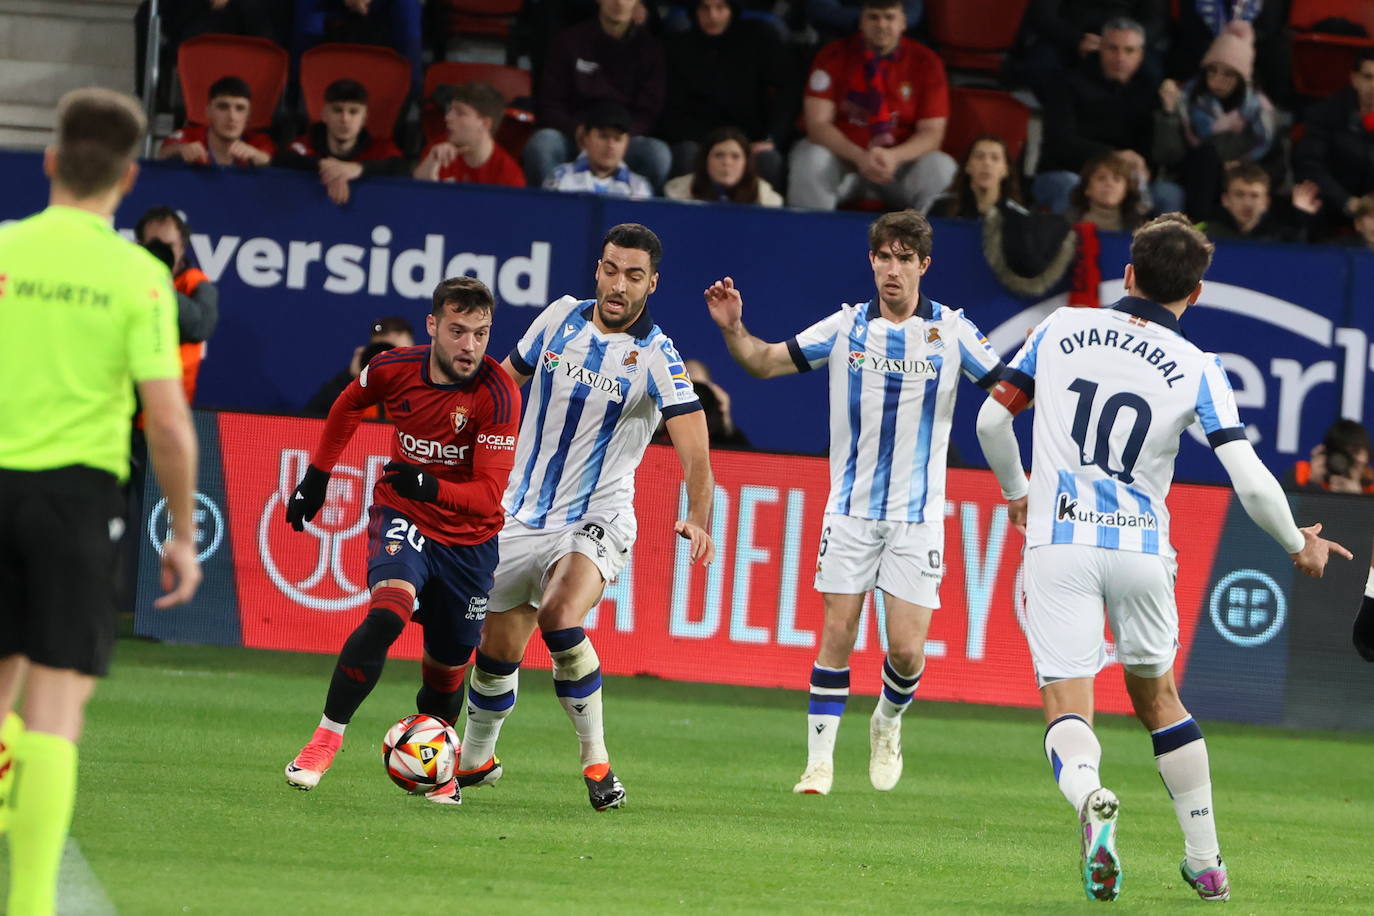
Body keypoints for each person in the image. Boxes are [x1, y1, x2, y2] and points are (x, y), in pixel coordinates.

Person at [974, 214, 1353, 902]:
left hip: (1060, 544)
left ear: (1128, 275)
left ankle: (1090, 797)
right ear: (1197, 293)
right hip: (1143, 554)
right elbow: (1249, 478)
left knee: (1068, 705)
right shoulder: (1198, 368)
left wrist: (1015, 493)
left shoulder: (1060, 330)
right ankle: (1206, 862)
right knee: (1161, 700)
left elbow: (991, 421)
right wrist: (1300, 544)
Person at [703, 210, 1007, 795]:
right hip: (849, 511)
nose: (892, 270)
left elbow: (1008, 390)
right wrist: (731, 329)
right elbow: (765, 362)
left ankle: (887, 722)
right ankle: (818, 763)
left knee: (907, 651)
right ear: (872, 261)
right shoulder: (845, 328)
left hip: (917, 518)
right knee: (837, 633)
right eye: (883, 257)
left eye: (904, 259)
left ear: (924, 265)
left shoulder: (952, 333)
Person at [0, 87, 201, 916]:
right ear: (126, 176)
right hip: (74, 502)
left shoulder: (4, 249)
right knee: (55, 704)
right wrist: (184, 532)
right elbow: (167, 423)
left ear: (49, 162)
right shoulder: (137, 277)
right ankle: (34, 902)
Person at [455, 223, 715, 812]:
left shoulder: (656, 355)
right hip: (518, 512)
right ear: (597, 269)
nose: (618, 285)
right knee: (496, 653)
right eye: (610, 269)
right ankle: (475, 761)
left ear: (653, 283)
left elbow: (695, 445)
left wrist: (699, 515)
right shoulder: (558, 318)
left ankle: (597, 763)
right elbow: (501, 384)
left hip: (595, 517)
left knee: (559, 615)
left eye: (633, 275)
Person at [282, 277, 521, 806]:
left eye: (481, 334)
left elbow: (487, 496)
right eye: (458, 331)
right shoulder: (394, 368)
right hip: (404, 513)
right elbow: (347, 406)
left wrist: (429, 481)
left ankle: (434, 769)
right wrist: (317, 479)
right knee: (388, 612)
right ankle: (325, 739)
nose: (470, 346)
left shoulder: (498, 394)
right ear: (433, 326)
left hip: (469, 543)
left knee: (447, 668)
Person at [788, 0, 957, 212]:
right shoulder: (832, 55)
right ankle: (808, 238)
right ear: (861, 21)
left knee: (942, 167)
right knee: (809, 156)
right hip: (844, 164)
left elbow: (932, 133)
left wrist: (894, 156)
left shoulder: (927, 62)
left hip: (899, 168)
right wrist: (860, 157)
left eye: (889, 17)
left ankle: (930, 242)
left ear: (904, 22)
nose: (881, 24)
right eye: (873, 17)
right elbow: (817, 125)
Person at [1032, 18, 1181, 216]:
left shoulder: (1150, 92)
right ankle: (1072, 247)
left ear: (1141, 55)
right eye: (1113, 48)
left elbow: (1162, 155)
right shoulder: (1066, 83)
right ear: (1100, 49)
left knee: (1169, 193)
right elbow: (1060, 142)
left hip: (1124, 179)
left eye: (1129, 50)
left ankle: (1153, 248)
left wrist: (1168, 115)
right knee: (1072, 187)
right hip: (1068, 172)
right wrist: (1114, 156)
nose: (1120, 57)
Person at [524, 0, 672, 191]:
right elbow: (550, 102)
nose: (618, 2)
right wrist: (578, 131)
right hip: (575, 135)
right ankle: (547, 213)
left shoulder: (651, 50)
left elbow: (648, 111)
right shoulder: (569, 41)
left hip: (622, 139)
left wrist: (620, 137)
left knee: (657, 154)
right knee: (543, 144)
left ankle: (637, 216)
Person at [658, 0, 790, 187]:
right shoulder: (678, 48)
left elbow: (786, 93)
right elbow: (671, 110)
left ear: (732, 10)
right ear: (694, 12)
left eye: (720, 8)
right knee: (687, 155)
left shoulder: (759, 38)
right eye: (705, 8)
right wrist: (714, 146)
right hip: (698, 140)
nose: (712, 16)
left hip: (751, 139)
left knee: (768, 160)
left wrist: (771, 137)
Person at [1155, 21, 1276, 218]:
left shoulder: (1259, 111)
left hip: (1242, 180)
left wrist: (1240, 166)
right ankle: (1198, 228)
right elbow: (1167, 156)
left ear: (1242, 79)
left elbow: (1272, 158)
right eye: (1212, 70)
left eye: (1228, 74)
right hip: (1192, 176)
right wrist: (1169, 113)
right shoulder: (1185, 99)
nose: (1218, 79)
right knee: (1206, 158)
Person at [134, 206, 220, 405]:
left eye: (169, 246)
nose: (162, 253)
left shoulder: (195, 283)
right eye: (154, 246)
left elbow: (200, 327)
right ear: (140, 245)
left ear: (181, 248)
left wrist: (161, 288)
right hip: (125, 409)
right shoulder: (128, 281)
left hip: (171, 409)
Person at [275, 79, 408, 205]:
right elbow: (282, 159)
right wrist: (323, 166)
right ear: (324, 114)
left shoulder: (379, 148)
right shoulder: (306, 143)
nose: (345, 119)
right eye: (337, 110)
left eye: (353, 112)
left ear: (364, 118)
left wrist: (359, 168)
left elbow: (401, 168)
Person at [1296, 49, 1374, 236]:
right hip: (1332, 206)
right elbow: (1311, 165)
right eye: (1368, 77)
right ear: (1354, 79)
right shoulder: (1325, 114)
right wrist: (1346, 201)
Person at [413, 81, 526, 188]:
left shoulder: (509, 175)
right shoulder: (438, 150)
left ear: (485, 123)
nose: (448, 117)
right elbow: (414, 197)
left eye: (460, 113)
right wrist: (431, 164)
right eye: (450, 110)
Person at [302, 316, 415, 417]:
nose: (388, 360)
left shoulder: (424, 385)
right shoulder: (357, 388)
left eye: (396, 352)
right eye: (382, 351)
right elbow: (309, 420)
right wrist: (349, 377)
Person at [157, 76, 275, 167]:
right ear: (208, 111)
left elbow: (270, 160)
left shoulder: (259, 142)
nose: (232, 117)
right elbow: (163, 153)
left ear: (249, 115)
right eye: (223, 107)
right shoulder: (189, 135)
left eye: (240, 108)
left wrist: (259, 158)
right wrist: (180, 150)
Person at [543, 102, 654, 198]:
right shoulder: (560, 177)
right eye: (603, 136)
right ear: (586, 138)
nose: (610, 145)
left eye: (618, 139)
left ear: (627, 143)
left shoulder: (639, 188)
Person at [664, 127, 784, 206]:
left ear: (746, 163)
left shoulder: (766, 200)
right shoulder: (677, 194)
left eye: (735, 156)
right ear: (705, 160)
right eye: (719, 155)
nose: (727, 162)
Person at [1199, 163, 1319, 243]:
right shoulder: (1205, 236)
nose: (1247, 203)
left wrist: (1302, 216)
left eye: (1255, 196)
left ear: (1266, 202)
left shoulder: (1281, 239)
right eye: (1239, 195)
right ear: (1225, 200)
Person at [933, 134, 1025, 219]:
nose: (987, 163)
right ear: (967, 166)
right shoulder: (940, 208)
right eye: (979, 156)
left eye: (995, 158)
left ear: (1005, 170)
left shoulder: (1019, 217)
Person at [1284, 419, 1374, 495]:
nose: (1348, 459)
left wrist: (1357, 497)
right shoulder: (1301, 473)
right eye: (1342, 452)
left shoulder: (1371, 485)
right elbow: (1286, 511)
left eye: (1356, 452)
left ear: (1368, 455)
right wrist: (1312, 484)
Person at [1065, 152, 1147, 232]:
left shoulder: (1139, 229)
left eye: (1116, 179)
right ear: (1087, 188)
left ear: (1126, 191)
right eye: (1101, 178)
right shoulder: (1066, 224)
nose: (1109, 184)